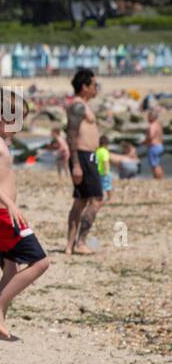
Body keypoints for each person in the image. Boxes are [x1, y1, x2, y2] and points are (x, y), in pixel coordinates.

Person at [0, 87, 49, 341]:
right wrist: (10, 204)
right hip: (0, 215)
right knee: (41, 262)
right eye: (18, 119)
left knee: (10, 269)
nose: (20, 126)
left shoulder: (0, 140)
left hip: (2, 213)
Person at [65, 68, 102, 255]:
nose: (97, 88)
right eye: (95, 85)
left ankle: (70, 245)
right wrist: (77, 163)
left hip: (87, 156)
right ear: (84, 87)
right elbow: (71, 135)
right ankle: (80, 242)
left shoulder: (82, 105)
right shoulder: (78, 106)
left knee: (80, 201)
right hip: (83, 157)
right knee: (96, 199)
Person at [145, 109, 165, 179]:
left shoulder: (152, 125)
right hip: (160, 146)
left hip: (154, 146)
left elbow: (151, 136)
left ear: (151, 117)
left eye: (148, 116)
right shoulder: (158, 125)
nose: (147, 118)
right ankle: (161, 178)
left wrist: (144, 142)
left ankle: (157, 178)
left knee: (154, 165)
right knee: (157, 164)